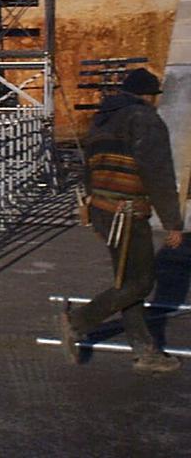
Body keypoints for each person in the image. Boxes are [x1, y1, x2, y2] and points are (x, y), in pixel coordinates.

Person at [61, 68, 183, 372]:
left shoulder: (102, 119)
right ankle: (78, 321)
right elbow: (158, 173)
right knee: (141, 282)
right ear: (147, 96)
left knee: (127, 283)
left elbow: (88, 167)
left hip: (104, 209)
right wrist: (173, 223)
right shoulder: (144, 119)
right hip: (127, 213)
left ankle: (145, 351)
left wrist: (91, 209)